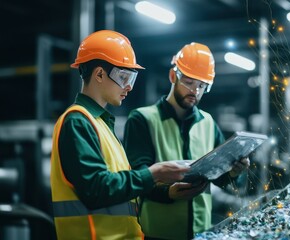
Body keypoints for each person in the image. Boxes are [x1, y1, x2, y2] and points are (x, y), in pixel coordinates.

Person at [49, 30, 190, 240]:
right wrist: (153, 174)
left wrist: (165, 192)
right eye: (123, 76)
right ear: (98, 74)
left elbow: (119, 187)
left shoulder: (100, 123)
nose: (129, 86)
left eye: (131, 78)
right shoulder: (77, 122)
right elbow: (97, 189)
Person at [123, 42, 250, 240]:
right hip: (157, 233)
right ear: (173, 76)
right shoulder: (142, 119)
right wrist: (168, 193)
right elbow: (137, 178)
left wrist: (234, 171)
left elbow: (220, 177)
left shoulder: (208, 122)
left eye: (201, 86)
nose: (195, 91)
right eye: (189, 82)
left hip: (201, 232)